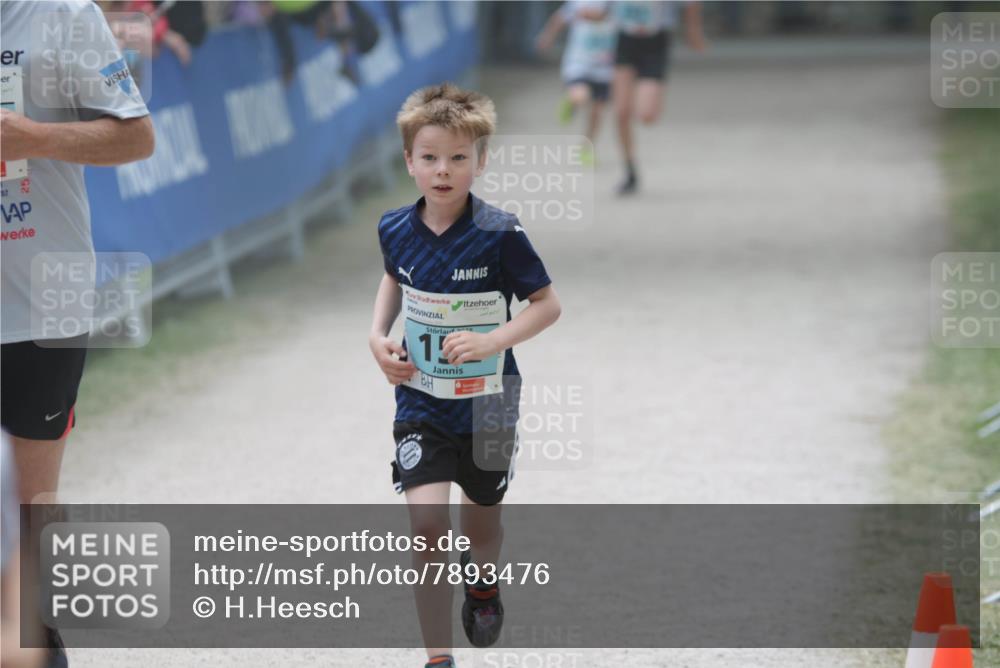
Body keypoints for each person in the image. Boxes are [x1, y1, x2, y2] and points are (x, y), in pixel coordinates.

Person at [369, 84, 561, 668]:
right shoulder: (394, 227)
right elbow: (393, 279)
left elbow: (547, 305)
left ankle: (483, 585)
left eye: (458, 157)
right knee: (427, 528)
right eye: (429, 157)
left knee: (483, 523)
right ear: (409, 161)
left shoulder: (500, 230)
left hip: (491, 401)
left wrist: (492, 340)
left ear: (481, 161)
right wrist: (376, 337)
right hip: (421, 403)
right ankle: (438, 659)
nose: (443, 170)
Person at [1, 3, 153, 660]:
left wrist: (32, 137)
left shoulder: (60, 12)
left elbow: (136, 137)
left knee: (31, 509)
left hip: (43, 295)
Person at [603, 1, 706, 194]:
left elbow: (691, 4)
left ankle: (643, 93)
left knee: (647, 115)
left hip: (655, 42)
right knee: (621, 112)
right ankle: (629, 170)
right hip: (625, 39)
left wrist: (693, 30)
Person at [535, 1, 617, 164]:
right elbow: (559, 19)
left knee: (597, 113)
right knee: (581, 95)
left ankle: (587, 148)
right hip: (579, 63)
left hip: (605, 69)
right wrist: (547, 37)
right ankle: (571, 101)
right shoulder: (580, 2)